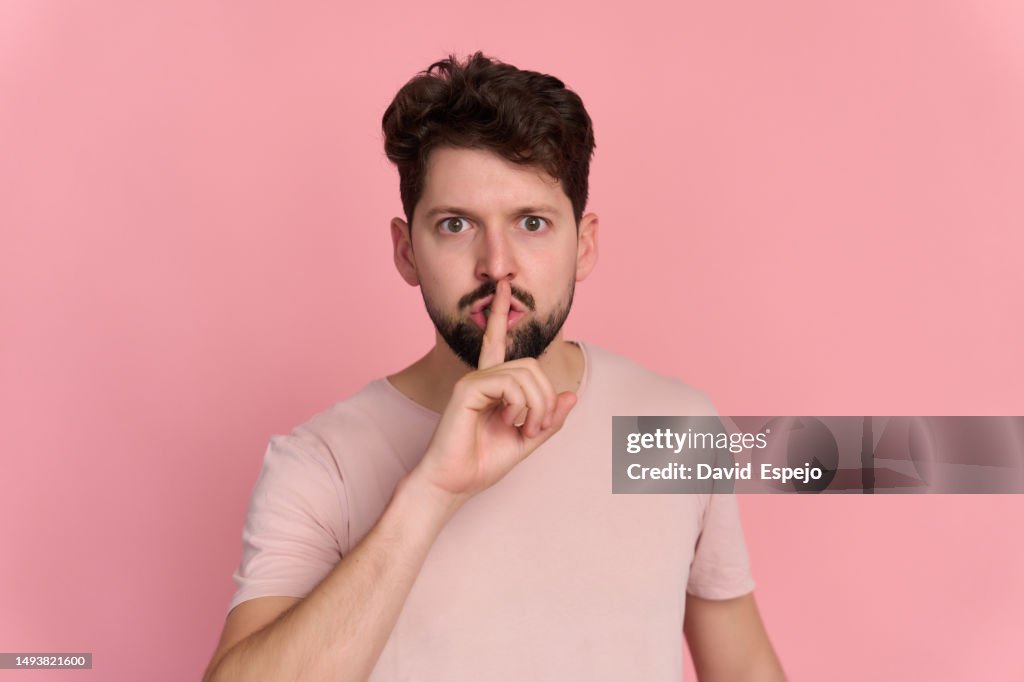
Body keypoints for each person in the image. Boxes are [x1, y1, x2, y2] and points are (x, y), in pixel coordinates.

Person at [204, 52, 785, 681]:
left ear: (584, 244)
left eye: (532, 223)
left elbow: (745, 666)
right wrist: (431, 494)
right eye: (456, 225)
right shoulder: (323, 463)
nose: (497, 265)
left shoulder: (674, 429)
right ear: (406, 251)